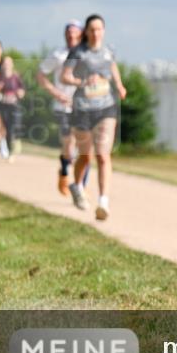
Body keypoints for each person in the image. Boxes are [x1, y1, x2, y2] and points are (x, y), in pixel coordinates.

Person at [60, 14, 127, 221]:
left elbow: (112, 66)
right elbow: (65, 76)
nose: (96, 33)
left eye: (100, 29)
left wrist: (119, 85)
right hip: (82, 109)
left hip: (106, 108)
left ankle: (103, 202)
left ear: (103, 31)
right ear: (86, 32)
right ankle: (76, 186)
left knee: (103, 155)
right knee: (85, 156)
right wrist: (82, 81)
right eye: (92, 29)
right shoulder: (77, 52)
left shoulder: (108, 51)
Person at [38, 20, 85, 194]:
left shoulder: (86, 53)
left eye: (75, 32)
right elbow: (40, 75)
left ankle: (79, 185)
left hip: (83, 106)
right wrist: (55, 92)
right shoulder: (58, 54)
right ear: (65, 34)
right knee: (69, 143)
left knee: (83, 145)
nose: (71, 36)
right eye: (68, 32)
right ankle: (64, 173)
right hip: (63, 105)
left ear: (80, 34)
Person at [0, 56, 25, 161]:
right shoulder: (0, 77)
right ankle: (8, 150)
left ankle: (14, 151)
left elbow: (22, 89)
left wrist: (20, 93)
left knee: (14, 127)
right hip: (4, 105)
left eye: (8, 62)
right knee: (6, 128)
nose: (6, 65)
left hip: (14, 105)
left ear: (12, 64)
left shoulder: (16, 76)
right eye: (5, 63)